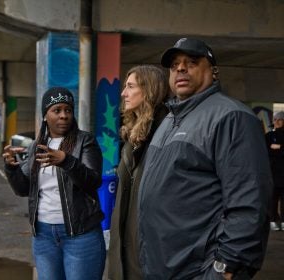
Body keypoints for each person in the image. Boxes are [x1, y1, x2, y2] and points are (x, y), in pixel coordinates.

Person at [137, 38, 272, 280]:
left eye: (191, 62)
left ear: (214, 71)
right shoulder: (170, 119)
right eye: (175, 64)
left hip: (199, 270)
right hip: (164, 266)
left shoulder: (231, 117)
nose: (180, 68)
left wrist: (225, 268)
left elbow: (250, 203)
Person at [2, 87, 106, 280]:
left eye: (68, 110)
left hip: (80, 235)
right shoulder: (36, 146)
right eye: (56, 110)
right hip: (43, 235)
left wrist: (66, 161)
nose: (64, 115)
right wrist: (11, 168)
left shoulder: (85, 141)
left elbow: (93, 181)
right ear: (45, 115)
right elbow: (23, 189)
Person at [107, 65, 169, 280]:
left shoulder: (167, 135)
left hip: (151, 255)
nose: (123, 93)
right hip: (125, 251)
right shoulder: (132, 137)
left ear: (150, 90)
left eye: (130, 86)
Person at [265, 111, 284, 231]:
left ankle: (282, 221)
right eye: (275, 119)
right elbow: (266, 151)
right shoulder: (269, 136)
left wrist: (279, 147)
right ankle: (272, 220)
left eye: (279, 119)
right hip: (272, 172)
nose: (276, 121)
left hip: (281, 172)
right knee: (273, 197)